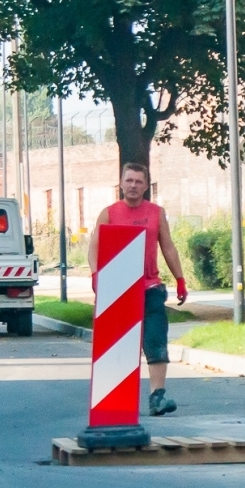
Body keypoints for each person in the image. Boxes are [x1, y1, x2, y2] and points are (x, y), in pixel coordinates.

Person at [88, 162, 189, 416]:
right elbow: (94, 248)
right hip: (119, 290)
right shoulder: (109, 213)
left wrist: (180, 279)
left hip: (150, 287)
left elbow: (168, 246)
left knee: (156, 340)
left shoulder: (156, 213)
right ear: (121, 183)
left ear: (146, 186)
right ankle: (115, 395)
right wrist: (95, 275)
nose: (133, 186)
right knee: (120, 345)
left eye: (138, 182)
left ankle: (158, 396)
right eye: (129, 180)